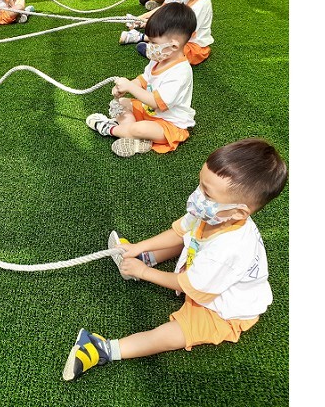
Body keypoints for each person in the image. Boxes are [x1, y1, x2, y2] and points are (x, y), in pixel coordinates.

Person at [62, 138, 288, 381]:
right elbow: (179, 232)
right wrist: (139, 247)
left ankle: (101, 349)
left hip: (223, 310)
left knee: (174, 334)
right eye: (200, 184)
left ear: (239, 211)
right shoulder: (217, 214)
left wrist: (143, 272)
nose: (197, 195)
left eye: (206, 192)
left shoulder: (227, 251)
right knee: (188, 239)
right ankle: (145, 258)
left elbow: (187, 285)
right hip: (205, 275)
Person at [86, 2, 196, 157]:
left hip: (169, 124)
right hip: (148, 112)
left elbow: (156, 103)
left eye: (154, 43)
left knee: (140, 128)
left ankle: (110, 129)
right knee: (121, 103)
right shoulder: (159, 59)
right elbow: (144, 79)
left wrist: (130, 87)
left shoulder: (180, 72)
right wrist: (126, 87)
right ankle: (133, 137)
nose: (148, 45)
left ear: (173, 46)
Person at [123, 0, 214, 66]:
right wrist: (147, 21)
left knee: (170, 47)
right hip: (183, 40)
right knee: (166, 39)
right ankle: (148, 40)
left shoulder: (199, 6)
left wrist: (156, 32)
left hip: (193, 48)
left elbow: (183, 32)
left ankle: (142, 38)